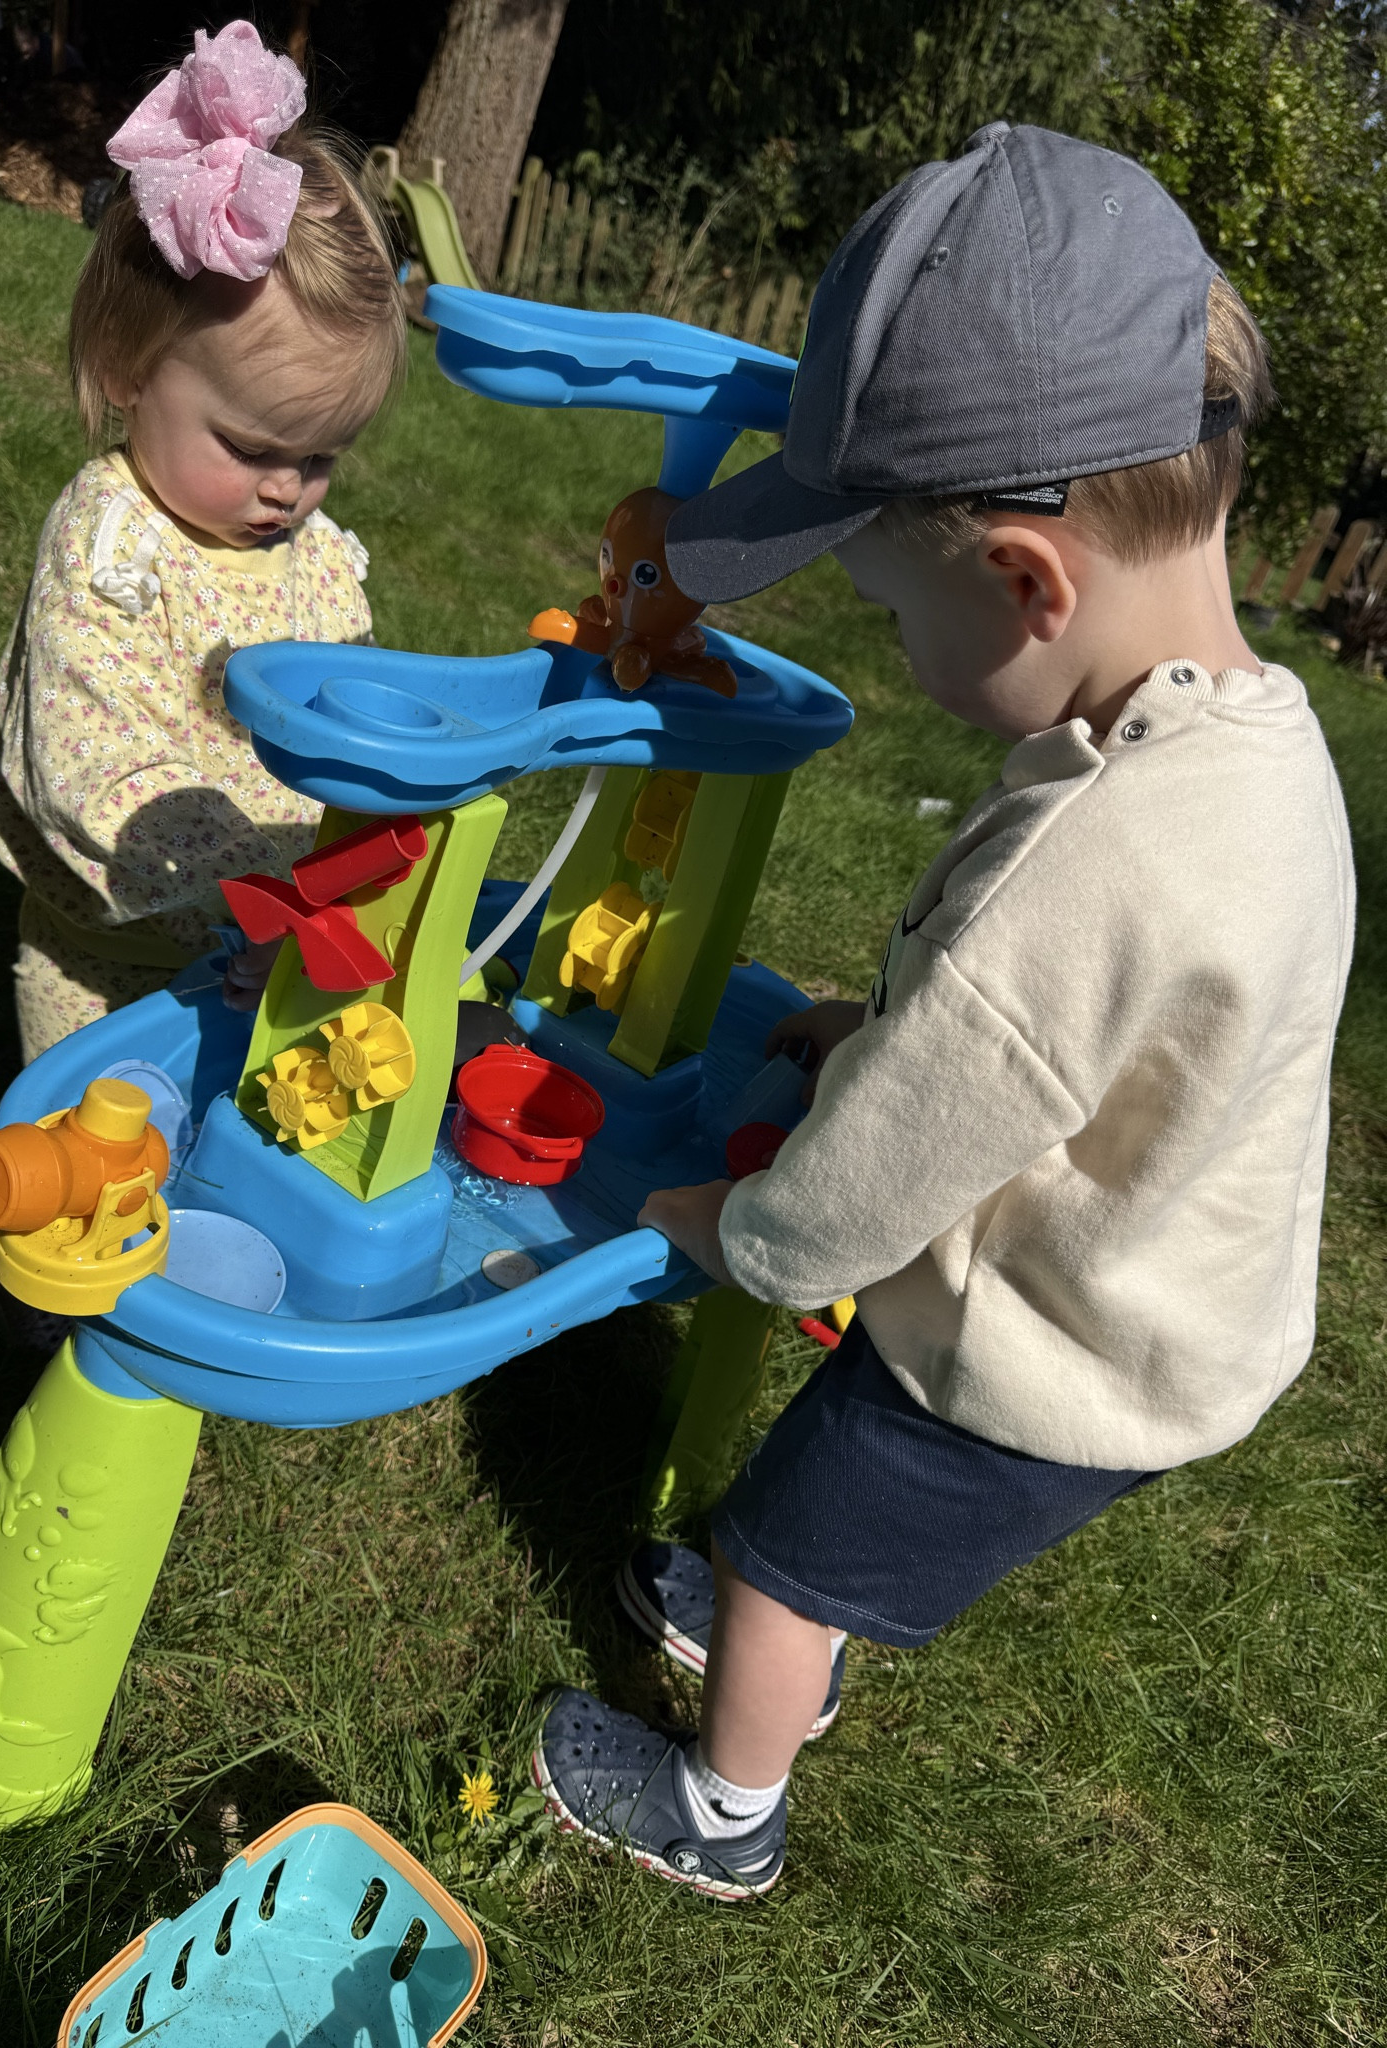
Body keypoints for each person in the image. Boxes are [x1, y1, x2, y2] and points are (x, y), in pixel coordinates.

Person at [532, 122, 1355, 1899]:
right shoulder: (1259, 743)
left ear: (1022, 578)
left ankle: (722, 1804)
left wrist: (733, 1222)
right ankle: (794, 1611)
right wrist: (869, 1024)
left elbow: (883, 1171)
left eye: (895, 612)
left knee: (787, 1553)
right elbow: (1075, 1044)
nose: (903, 660)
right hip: (1172, 1309)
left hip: (1052, 1359)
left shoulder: (1090, 862)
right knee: (821, 1543)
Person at [0, 20, 405, 1063]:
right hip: (113, 951)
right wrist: (248, 880)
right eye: (255, 446)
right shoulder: (113, 545)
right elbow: (84, 762)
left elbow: (344, 713)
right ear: (128, 364)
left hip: (277, 936)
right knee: (97, 1159)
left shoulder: (313, 554)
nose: (287, 490)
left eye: (322, 459)